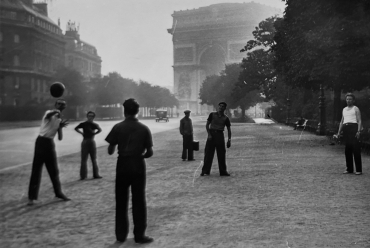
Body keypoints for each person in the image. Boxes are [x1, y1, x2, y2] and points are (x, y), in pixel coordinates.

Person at [105, 98, 154, 244]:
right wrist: (141, 155)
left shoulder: (118, 127)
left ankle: (120, 235)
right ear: (137, 111)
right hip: (138, 164)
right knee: (139, 200)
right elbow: (150, 152)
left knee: (121, 200)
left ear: (124, 110)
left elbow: (110, 150)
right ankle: (139, 235)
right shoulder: (144, 128)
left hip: (122, 164)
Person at [27, 99, 70, 206]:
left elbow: (60, 138)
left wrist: (60, 128)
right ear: (55, 105)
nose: (60, 105)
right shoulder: (48, 113)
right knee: (36, 170)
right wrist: (56, 112)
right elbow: (49, 114)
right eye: (59, 104)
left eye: (62, 105)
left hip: (50, 144)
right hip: (41, 142)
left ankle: (58, 193)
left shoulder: (59, 120)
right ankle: (31, 197)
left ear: (64, 107)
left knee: (54, 170)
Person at [201, 102, 232, 176]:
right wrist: (209, 134)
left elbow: (229, 129)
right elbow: (207, 125)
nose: (221, 107)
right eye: (220, 106)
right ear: (218, 107)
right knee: (208, 154)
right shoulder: (212, 115)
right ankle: (205, 171)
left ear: (225, 108)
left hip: (220, 135)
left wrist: (229, 140)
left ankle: (223, 171)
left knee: (221, 154)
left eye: (223, 106)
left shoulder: (226, 118)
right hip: (212, 135)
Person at [337, 93, 362, 175]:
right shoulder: (344, 109)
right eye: (347, 99)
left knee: (356, 149)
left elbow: (359, 120)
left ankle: (358, 169)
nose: (348, 101)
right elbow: (342, 121)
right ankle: (349, 169)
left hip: (353, 128)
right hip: (346, 129)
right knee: (347, 150)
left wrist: (358, 131)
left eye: (350, 99)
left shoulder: (356, 109)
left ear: (353, 100)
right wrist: (339, 132)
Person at [74, 111, 102, 180]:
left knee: (94, 159)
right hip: (85, 141)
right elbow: (76, 128)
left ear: (93, 117)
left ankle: (96, 174)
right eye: (89, 116)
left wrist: (94, 134)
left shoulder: (94, 124)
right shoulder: (83, 124)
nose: (90, 117)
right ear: (87, 116)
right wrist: (81, 133)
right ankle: (83, 176)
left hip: (91, 141)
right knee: (84, 159)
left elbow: (100, 130)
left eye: (92, 116)